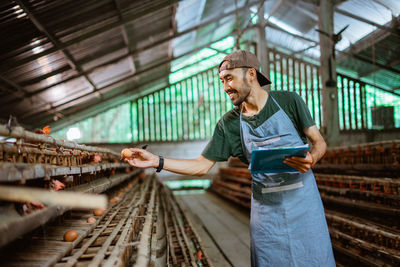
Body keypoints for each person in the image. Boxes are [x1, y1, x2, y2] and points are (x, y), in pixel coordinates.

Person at [124, 50, 336, 266]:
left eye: (229, 78)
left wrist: (312, 157)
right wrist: (156, 161)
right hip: (268, 215)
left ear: (251, 74)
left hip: (304, 206)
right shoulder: (229, 124)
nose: (225, 87)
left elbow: (319, 142)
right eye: (222, 81)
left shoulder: (289, 101)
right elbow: (201, 166)